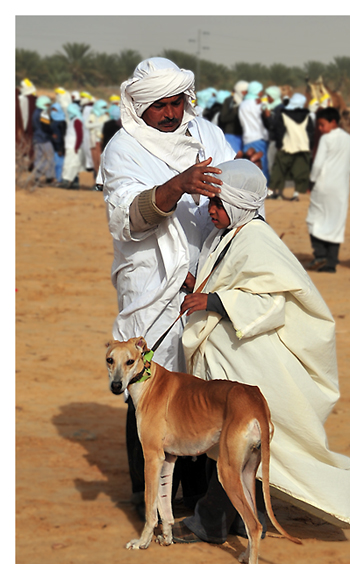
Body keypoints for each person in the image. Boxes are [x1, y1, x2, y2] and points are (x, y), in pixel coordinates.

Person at [170, 158, 350, 544]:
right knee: (234, 441)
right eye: (211, 202)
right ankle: (243, 517)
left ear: (239, 204)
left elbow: (273, 303)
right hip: (229, 353)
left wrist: (215, 301)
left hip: (249, 356)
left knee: (233, 441)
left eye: (218, 204)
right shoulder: (229, 234)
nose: (211, 210)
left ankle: (211, 521)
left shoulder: (257, 239)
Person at [98, 57, 238, 513]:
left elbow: (236, 194)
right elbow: (127, 217)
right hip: (150, 285)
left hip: (206, 277)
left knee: (199, 385)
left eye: (177, 103)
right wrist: (178, 183)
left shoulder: (208, 136)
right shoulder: (122, 149)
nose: (172, 114)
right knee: (144, 383)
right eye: (160, 106)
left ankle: (198, 500)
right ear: (140, 106)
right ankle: (147, 498)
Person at [306, 106, 350, 273]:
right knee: (336, 222)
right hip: (341, 188)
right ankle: (331, 263)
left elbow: (317, 164)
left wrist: (312, 180)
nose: (319, 128)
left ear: (333, 122)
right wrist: (347, 170)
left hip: (323, 185)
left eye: (322, 124)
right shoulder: (348, 138)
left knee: (314, 219)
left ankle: (320, 254)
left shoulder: (326, 139)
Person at [268, 93, 315, 201]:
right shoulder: (307, 116)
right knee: (300, 172)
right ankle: (295, 195)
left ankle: (274, 193)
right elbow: (311, 133)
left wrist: (279, 145)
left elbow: (279, 131)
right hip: (303, 147)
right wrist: (310, 147)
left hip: (287, 147)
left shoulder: (283, 114)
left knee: (278, 170)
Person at [238, 81, 270, 184]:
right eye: (260, 91)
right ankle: (263, 187)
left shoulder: (242, 104)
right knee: (261, 164)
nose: (261, 93)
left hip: (247, 139)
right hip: (258, 137)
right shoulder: (258, 104)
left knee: (248, 166)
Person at [31, 96, 56, 185]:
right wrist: (52, 133)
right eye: (47, 104)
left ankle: (37, 178)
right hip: (44, 139)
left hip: (36, 138)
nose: (48, 106)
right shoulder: (43, 113)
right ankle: (49, 178)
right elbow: (46, 127)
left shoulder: (35, 112)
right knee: (50, 157)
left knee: (38, 158)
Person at [58, 103, 84, 189]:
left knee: (69, 164)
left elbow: (79, 135)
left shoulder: (77, 121)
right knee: (73, 164)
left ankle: (66, 182)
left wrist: (76, 147)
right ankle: (74, 183)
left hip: (73, 147)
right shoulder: (73, 120)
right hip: (71, 146)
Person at [217, 80, 248, 153]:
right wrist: (236, 110)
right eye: (244, 92)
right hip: (231, 135)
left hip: (243, 136)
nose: (245, 94)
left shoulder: (246, 101)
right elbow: (223, 118)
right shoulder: (229, 101)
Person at [84, 99, 109, 179]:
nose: (104, 109)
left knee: (100, 160)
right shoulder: (92, 116)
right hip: (93, 140)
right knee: (95, 161)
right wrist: (99, 124)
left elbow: (104, 126)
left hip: (101, 140)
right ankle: (97, 180)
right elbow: (87, 125)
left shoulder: (105, 117)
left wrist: (94, 125)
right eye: (102, 107)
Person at [50, 102, 67, 183]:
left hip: (59, 146)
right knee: (53, 164)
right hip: (52, 145)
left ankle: (59, 179)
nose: (53, 112)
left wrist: (61, 148)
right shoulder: (51, 120)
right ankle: (55, 178)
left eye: (55, 110)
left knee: (59, 164)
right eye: (52, 109)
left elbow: (64, 136)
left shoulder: (62, 122)